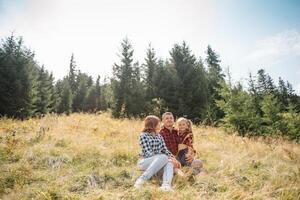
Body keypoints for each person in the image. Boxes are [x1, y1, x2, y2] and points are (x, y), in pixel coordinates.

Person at [134, 115, 180, 191]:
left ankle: (166, 186)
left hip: (158, 161)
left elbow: (165, 150)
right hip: (144, 162)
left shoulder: (159, 136)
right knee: (164, 157)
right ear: (152, 124)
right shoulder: (143, 136)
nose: (160, 124)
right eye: (158, 123)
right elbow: (148, 154)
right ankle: (141, 180)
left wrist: (174, 159)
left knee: (169, 162)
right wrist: (163, 157)